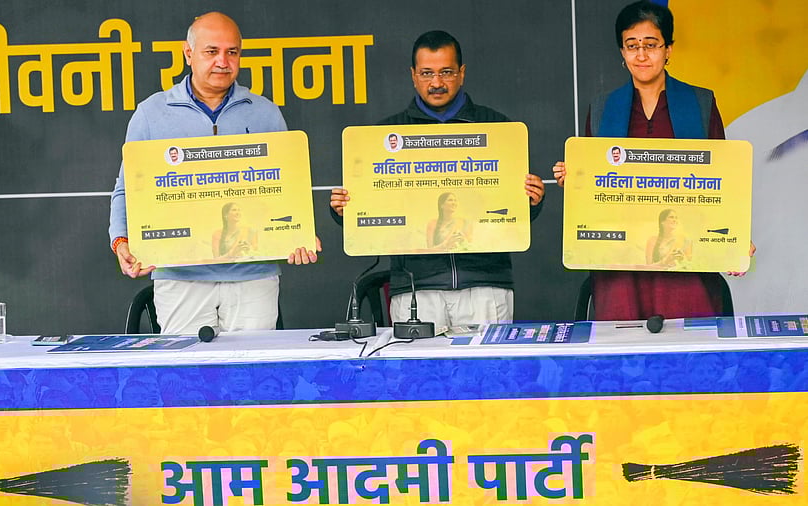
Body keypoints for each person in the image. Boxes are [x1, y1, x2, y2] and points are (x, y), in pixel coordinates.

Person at [109, 12, 319, 334]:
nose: (223, 61)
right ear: (188, 53)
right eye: (212, 51)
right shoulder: (152, 113)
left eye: (232, 52)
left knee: (250, 375)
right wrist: (121, 240)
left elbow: (285, 188)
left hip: (253, 276)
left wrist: (298, 233)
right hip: (180, 274)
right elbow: (128, 188)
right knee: (187, 378)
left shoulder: (265, 113)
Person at [552, 0, 754, 320]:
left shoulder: (699, 103)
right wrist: (576, 180)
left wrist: (734, 239)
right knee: (624, 361)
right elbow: (595, 186)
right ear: (622, 51)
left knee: (690, 360)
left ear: (668, 49)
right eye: (632, 46)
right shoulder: (605, 107)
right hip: (621, 269)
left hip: (686, 266)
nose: (641, 55)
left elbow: (722, 182)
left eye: (651, 45)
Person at [330, 30, 545, 329]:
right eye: (427, 73)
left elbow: (514, 212)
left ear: (462, 73)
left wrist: (532, 200)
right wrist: (344, 210)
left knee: (487, 376)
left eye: (446, 72)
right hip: (416, 289)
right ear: (413, 75)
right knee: (419, 378)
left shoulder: (497, 128)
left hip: (484, 285)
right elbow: (369, 217)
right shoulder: (382, 136)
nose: (436, 83)